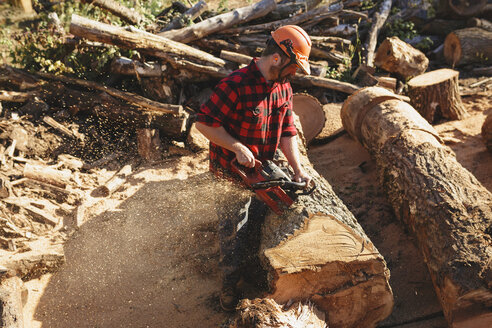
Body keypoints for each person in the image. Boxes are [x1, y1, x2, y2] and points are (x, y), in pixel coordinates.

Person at [195, 25, 313, 311]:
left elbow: (287, 131)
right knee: (232, 234)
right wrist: (236, 147)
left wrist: (297, 170)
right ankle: (229, 287)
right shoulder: (236, 84)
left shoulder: (283, 87)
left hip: (263, 172)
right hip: (230, 174)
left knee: (258, 224)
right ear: (277, 57)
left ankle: (256, 274)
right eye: (293, 65)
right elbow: (203, 123)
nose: (294, 73)